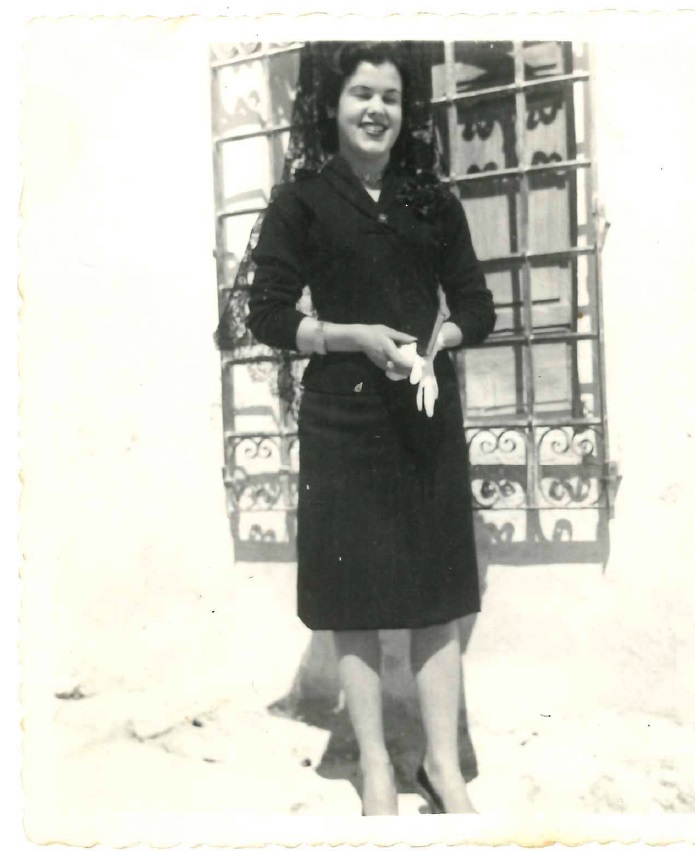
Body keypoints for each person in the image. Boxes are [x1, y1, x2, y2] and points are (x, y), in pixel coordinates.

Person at [242, 42, 495, 816]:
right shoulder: (302, 202)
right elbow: (267, 314)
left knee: (436, 591)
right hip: (341, 417)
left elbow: (476, 305)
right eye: (361, 93)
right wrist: (351, 336)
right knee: (351, 594)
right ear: (334, 105)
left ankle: (442, 766)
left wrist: (440, 341)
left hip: (422, 412)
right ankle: (376, 764)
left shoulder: (432, 202)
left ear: (404, 111)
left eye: (389, 95)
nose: (375, 108)